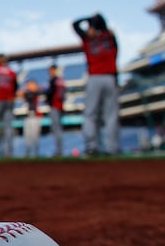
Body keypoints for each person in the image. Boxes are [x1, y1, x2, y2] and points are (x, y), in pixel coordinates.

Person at [73, 13, 119, 156]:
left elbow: (75, 24)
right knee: (110, 115)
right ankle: (112, 148)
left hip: (95, 78)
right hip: (110, 78)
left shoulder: (89, 38)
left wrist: (89, 21)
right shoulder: (109, 36)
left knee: (90, 114)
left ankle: (92, 147)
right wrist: (94, 22)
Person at [45, 65, 66, 157]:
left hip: (55, 106)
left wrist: (47, 99)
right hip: (60, 106)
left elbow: (50, 93)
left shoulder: (54, 80)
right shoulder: (61, 80)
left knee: (56, 129)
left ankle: (59, 150)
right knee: (58, 129)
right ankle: (59, 150)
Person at [19, 79, 42, 157]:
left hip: (34, 117)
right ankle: (28, 154)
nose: (28, 86)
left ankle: (36, 154)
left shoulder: (34, 92)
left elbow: (26, 94)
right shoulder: (30, 93)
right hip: (29, 116)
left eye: (30, 84)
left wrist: (24, 91)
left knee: (35, 138)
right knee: (28, 138)